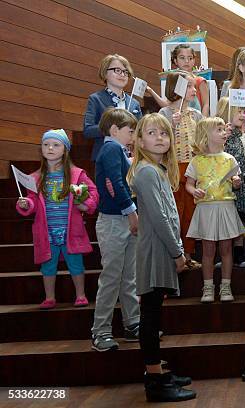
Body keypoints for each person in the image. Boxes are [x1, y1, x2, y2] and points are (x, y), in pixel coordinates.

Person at [127, 113, 195, 402]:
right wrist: (178, 252)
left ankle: (158, 372)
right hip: (156, 252)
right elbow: (159, 217)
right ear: (140, 140)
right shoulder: (146, 172)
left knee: (154, 315)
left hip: (160, 250)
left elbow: (168, 213)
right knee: (150, 317)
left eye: (164, 133)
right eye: (152, 133)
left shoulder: (155, 169)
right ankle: (154, 380)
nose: (160, 138)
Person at [16, 129, 98, 309]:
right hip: (47, 230)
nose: (50, 148)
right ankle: (50, 297)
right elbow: (33, 201)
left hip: (70, 228)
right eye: (46, 145)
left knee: (75, 263)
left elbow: (93, 193)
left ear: (65, 150)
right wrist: (26, 204)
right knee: (48, 265)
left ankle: (81, 295)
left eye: (55, 145)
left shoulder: (77, 174)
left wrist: (84, 202)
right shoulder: (36, 178)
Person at [91, 108, 141, 352]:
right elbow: (114, 183)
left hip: (123, 219)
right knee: (111, 277)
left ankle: (132, 323)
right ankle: (100, 331)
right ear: (114, 130)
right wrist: (131, 212)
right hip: (114, 220)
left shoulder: (119, 150)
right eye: (130, 131)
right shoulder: (110, 148)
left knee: (129, 276)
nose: (132, 135)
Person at [185, 118, 245, 303]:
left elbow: (237, 182)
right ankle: (208, 287)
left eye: (223, 129)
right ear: (206, 135)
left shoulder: (229, 159)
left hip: (225, 206)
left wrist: (236, 182)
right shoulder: (197, 160)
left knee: (227, 248)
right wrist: (194, 190)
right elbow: (189, 184)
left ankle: (226, 286)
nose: (223, 132)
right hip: (206, 208)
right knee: (208, 250)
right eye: (218, 129)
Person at [158, 71, 203, 270]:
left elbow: (201, 142)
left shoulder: (196, 114)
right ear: (177, 89)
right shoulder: (165, 114)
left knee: (190, 215)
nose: (194, 90)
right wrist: (170, 126)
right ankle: (173, 255)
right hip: (173, 171)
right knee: (174, 212)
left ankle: (188, 254)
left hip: (192, 171)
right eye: (190, 86)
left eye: (194, 86)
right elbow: (158, 142)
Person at [216, 97, 245, 268]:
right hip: (222, 184)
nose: (243, 115)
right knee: (225, 219)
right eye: (238, 111)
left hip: (241, 181)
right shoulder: (218, 136)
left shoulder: (243, 137)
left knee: (239, 217)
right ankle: (222, 254)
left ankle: (239, 252)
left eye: (243, 111)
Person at [83, 54, 143, 160]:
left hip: (131, 158)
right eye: (117, 70)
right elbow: (88, 130)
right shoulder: (95, 99)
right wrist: (112, 128)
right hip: (105, 157)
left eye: (125, 72)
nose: (123, 75)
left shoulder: (134, 103)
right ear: (105, 73)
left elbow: (140, 132)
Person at [147, 44, 210, 116]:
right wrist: (150, 91)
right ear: (175, 60)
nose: (186, 61)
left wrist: (202, 123)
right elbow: (168, 106)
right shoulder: (176, 81)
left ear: (194, 60)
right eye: (182, 58)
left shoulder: (199, 80)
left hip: (196, 120)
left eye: (190, 58)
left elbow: (206, 105)